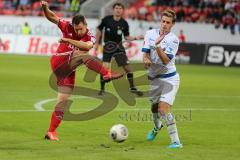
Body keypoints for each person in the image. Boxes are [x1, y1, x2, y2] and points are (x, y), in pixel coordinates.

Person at [41, 1, 123, 141]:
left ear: (85, 25)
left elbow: (86, 46)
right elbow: (52, 17)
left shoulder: (89, 35)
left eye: (81, 29)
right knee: (82, 55)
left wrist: (68, 40)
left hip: (69, 71)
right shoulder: (67, 26)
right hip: (59, 62)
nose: (79, 32)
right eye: (76, 29)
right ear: (73, 26)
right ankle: (106, 74)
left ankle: (51, 132)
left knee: (62, 102)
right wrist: (45, 8)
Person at [142, 9, 183, 148]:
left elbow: (165, 60)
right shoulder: (150, 34)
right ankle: (156, 127)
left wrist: (158, 45)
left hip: (170, 79)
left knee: (163, 108)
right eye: (163, 21)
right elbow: (145, 54)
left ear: (172, 25)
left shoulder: (173, 40)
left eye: (168, 22)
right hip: (154, 79)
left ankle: (176, 142)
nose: (164, 24)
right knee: (154, 108)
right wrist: (146, 59)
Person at [95, 2, 144, 96]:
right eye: (116, 8)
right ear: (113, 10)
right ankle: (102, 90)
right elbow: (99, 29)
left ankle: (132, 88)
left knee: (128, 69)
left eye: (120, 8)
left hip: (119, 47)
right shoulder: (106, 20)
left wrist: (136, 38)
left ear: (122, 10)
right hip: (108, 47)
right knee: (105, 68)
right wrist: (97, 43)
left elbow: (126, 37)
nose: (118, 10)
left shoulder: (124, 23)